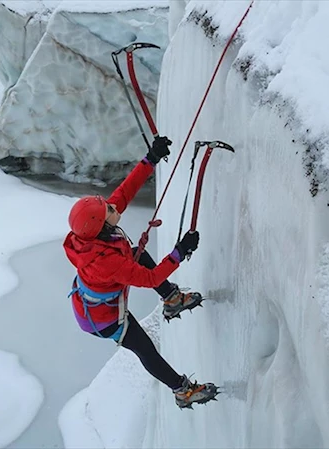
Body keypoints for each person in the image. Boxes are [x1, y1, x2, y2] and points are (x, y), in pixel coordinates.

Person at [62, 136, 218, 409]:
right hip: (103, 319)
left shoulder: (96, 230)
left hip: (94, 300)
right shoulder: (106, 262)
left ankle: (172, 299)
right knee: (145, 349)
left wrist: (151, 159)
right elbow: (150, 278)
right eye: (108, 209)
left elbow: (124, 193)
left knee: (137, 253)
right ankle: (182, 391)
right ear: (101, 225)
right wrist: (179, 252)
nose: (113, 206)